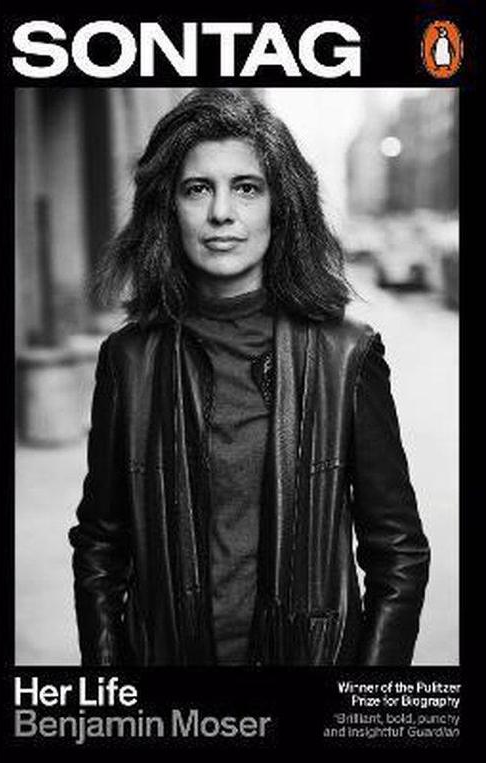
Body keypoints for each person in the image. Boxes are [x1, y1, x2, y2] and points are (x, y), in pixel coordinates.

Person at [69, 88, 430, 667]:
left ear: (279, 205)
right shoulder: (128, 360)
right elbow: (99, 547)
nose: (221, 213)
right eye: (197, 189)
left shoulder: (346, 355)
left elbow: (399, 554)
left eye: (246, 188)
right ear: (169, 208)